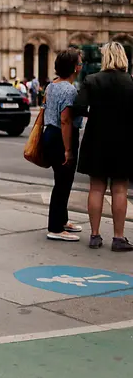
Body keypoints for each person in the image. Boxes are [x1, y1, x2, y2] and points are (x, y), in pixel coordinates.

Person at [73, 42, 133, 252]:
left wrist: (96, 114)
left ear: (105, 58)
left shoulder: (92, 80)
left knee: (96, 188)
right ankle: (118, 238)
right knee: (120, 189)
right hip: (124, 140)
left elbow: (79, 107)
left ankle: (95, 235)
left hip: (97, 138)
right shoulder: (130, 82)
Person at [41, 49, 84, 242]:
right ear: (75, 67)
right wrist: (68, 149)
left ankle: (62, 220)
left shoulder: (52, 85)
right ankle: (55, 228)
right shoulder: (69, 90)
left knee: (62, 180)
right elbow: (65, 120)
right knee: (62, 183)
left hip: (49, 134)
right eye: (80, 63)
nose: (81, 66)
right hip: (61, 136)